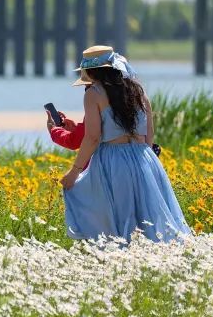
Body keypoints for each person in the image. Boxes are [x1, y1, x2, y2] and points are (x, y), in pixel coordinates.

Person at [60, 45, 190, 242]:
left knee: (119, 218)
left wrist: (75, 171)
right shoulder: (138, 91)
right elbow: (149, 134)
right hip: (145, 158)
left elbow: (93, 137)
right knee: (149, 217)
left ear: (92, 71)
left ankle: (119, 254)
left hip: (113, 160)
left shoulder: (93, 94)